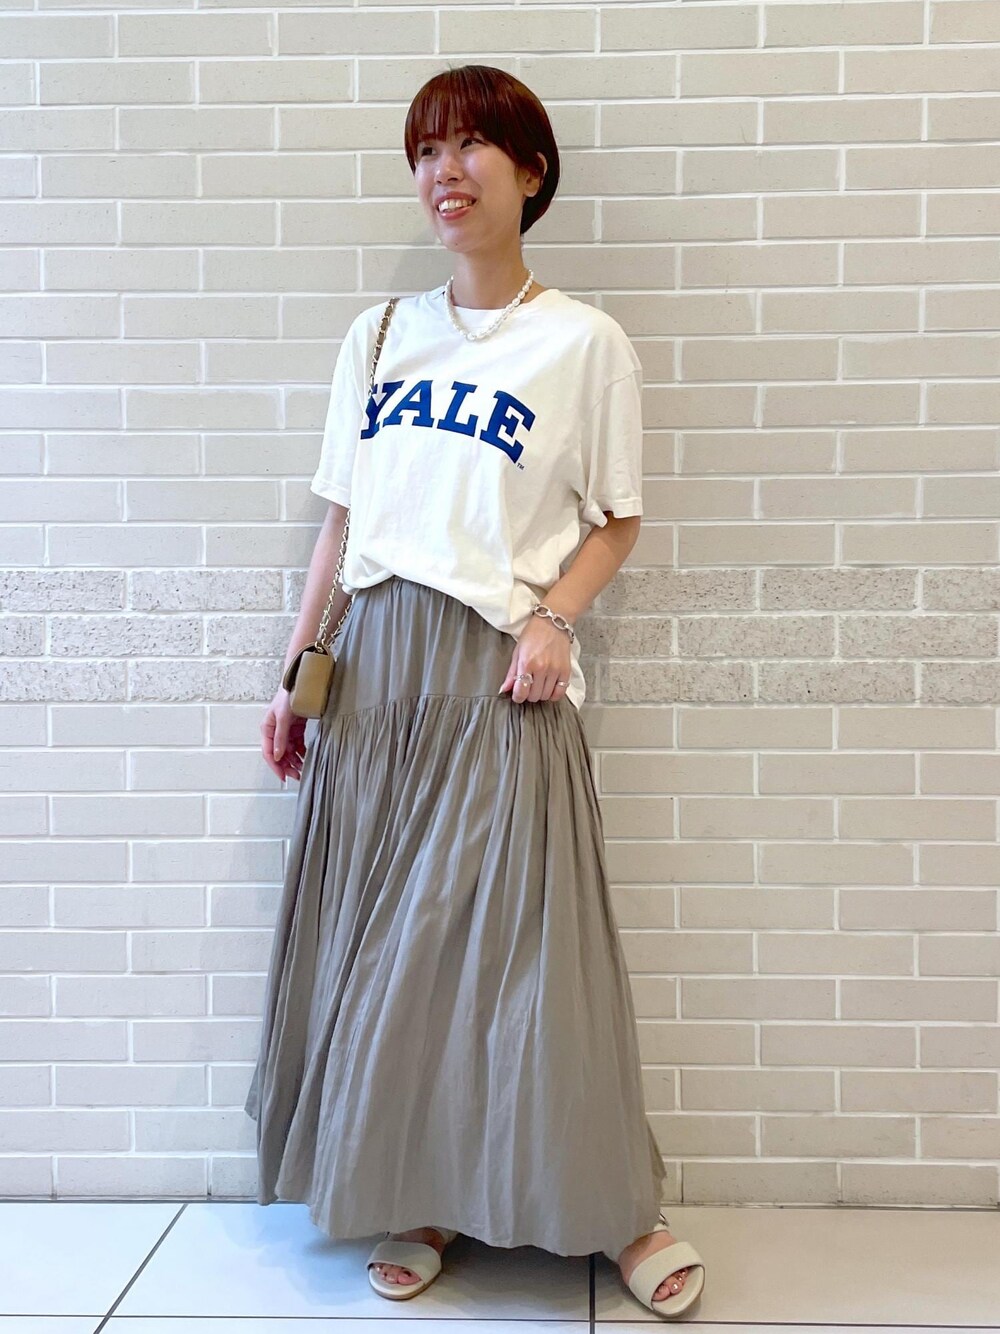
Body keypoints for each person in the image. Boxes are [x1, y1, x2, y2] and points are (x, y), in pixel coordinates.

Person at [244, 63, 705, 1320]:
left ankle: (617, 1208)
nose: (443, 173)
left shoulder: (583, 342)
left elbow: (617, 518)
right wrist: (295, 670)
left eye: (468, 148)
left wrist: (557, 616)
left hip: (498, 668)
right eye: (425, 151)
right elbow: (343, 521)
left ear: (529, 171)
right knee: (394, 948)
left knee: (530, 948)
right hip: (376, 675)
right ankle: (422, 1190)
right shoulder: (379, 335)